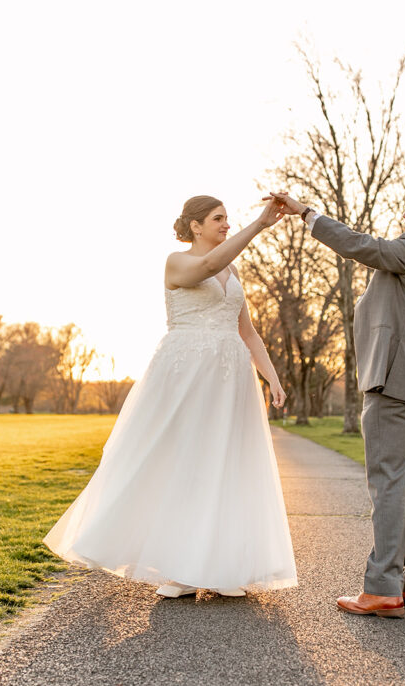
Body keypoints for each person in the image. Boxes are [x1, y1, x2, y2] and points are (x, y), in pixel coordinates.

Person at [44, 195, 297, 599]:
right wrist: (260, 225)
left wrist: (273, 378)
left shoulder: (233, 268)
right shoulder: (177, 262)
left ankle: (220, 567)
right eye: (218, 219)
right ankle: (180, 569)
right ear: (195, 226)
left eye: (228, 219)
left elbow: (247, 332)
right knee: (187, 462)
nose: (226, 224)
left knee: (225, 463)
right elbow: (208, 266)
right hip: (187, 373)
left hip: (230, 378)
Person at [269, 175, 405, 618]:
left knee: (388, 482)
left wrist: (306, 213)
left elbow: (360, 245)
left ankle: (382, 587)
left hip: (394, 382)